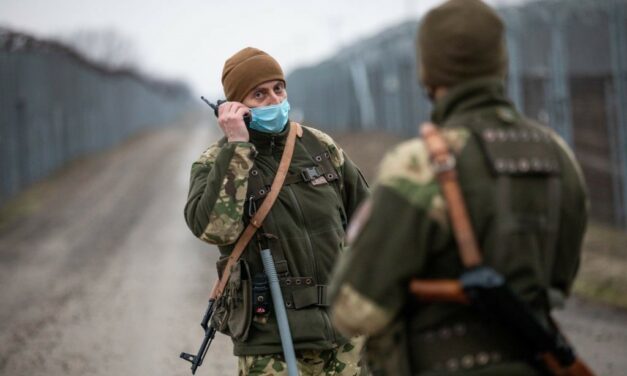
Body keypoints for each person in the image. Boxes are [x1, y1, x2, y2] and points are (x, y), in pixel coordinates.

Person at [329, 0, 588, 375]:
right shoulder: (558, 155)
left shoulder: (419, 165)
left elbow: (353, 309)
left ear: (428, 72)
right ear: (500, 61)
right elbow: (559, 282)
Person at [184, 47, 369, 375]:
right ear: (236, 106)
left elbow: (368, 218)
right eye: (259, 94)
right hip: (271, 341)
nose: (274, 99)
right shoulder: (216, 161)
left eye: (278, 88)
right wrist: (238, 147)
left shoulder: (318, 146)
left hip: (343, 333)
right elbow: (214, 228)